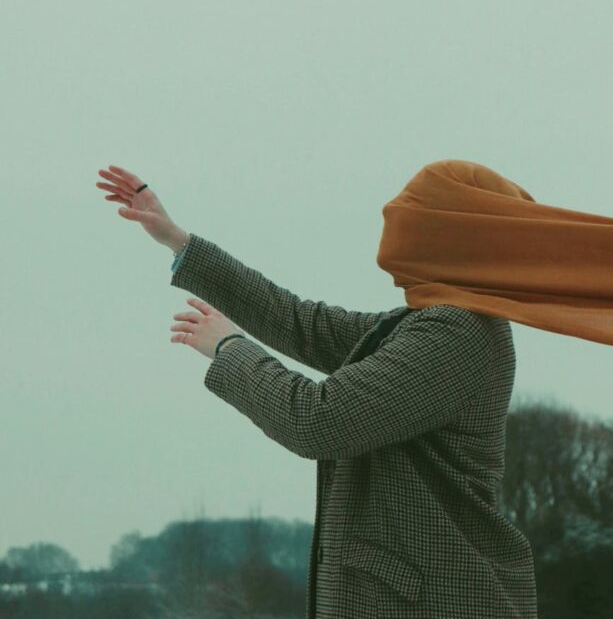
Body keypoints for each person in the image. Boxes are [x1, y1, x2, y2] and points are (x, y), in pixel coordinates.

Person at [96, 162, 538, 619]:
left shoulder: (456, 333)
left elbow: (316, 421)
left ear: (451, 236)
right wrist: (177, 240)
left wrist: (229, 348)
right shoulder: (433, 324)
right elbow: (300, 324)